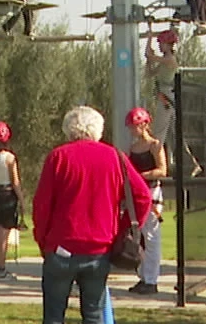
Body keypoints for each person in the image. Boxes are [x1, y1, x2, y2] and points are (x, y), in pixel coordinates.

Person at [32, 105, 153, 324]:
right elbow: (143, 196)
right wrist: (122, 229)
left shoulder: (58, 157)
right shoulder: (115, 157)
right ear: (98, 129)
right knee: (94, 314)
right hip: (100, 248)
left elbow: (41, 205)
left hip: (61, 247)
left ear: (69, 130)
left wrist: (43, 240)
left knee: (53, 315)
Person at [124, 107, 169, 296]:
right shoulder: (133, 149)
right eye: (131, 127)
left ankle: (151, 279)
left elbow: (162, 170)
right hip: (136, 195)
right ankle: (143, 276)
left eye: (135, 126)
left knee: (151, 237)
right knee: (139, 237)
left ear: (144, 124)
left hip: (151, 193)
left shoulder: (155, 146)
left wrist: (141, 176)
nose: (133, 130)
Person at [0, 121, 25, 281]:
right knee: (4, 234)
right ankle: (2, 269)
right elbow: (15, 182)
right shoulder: (9, 158)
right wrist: (21, 200)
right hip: (7, 194)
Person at [145, 29, 180, 143]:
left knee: (159, 131)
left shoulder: (169, 59)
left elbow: (149, 55)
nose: (160, 46)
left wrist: (149, 38)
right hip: (163, 94)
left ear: (169, 45)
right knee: (163, 129)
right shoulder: (164, 61)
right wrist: (149, 62)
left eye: (162, 43)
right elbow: (149, 73)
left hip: (167, 95)